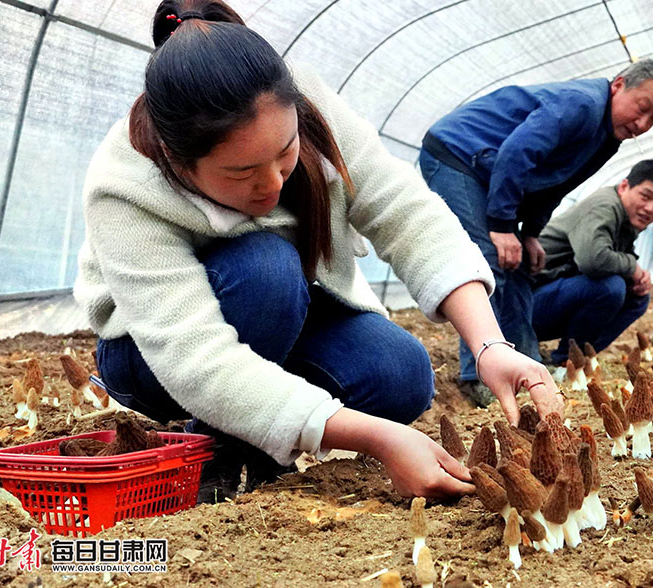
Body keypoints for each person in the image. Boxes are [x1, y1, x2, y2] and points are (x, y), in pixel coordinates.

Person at [74, 0, 562, 501]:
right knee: (267, 269)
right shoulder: (126, 184)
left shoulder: (307, 101)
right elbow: (197, 360)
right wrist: (380, 439)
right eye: (242, 172)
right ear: (179, 163)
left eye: (285, 152)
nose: (273, 184)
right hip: (154, 356)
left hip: (283, 314)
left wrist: (489, 345)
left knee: (400, 373)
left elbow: (406, 213)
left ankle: (267, 421)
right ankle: (220, 441)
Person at [418, 59, 653, 407]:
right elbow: (518, 152)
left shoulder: (606, 138)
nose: (642, 124)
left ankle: (526, 363)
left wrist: (530, 234)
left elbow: (554, 182)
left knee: (517, 267)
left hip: (490, 170)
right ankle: (478, 374)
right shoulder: (582, 104)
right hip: (458, 155)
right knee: (488, 259)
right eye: (642, 108)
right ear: (618, 85)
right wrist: (501, 226)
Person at [531, 160, 653, 363]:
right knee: (610, 287)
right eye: (645, 196)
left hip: (550, 297)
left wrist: (638, 276)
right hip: (523, 303)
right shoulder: (604, 206)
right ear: (624, 186)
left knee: (637, 297)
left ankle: (573, 360)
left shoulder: (626, 218)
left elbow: (617, 256)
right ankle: (567, 359)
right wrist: (632, 267)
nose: (650, 208)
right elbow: (593, 260)